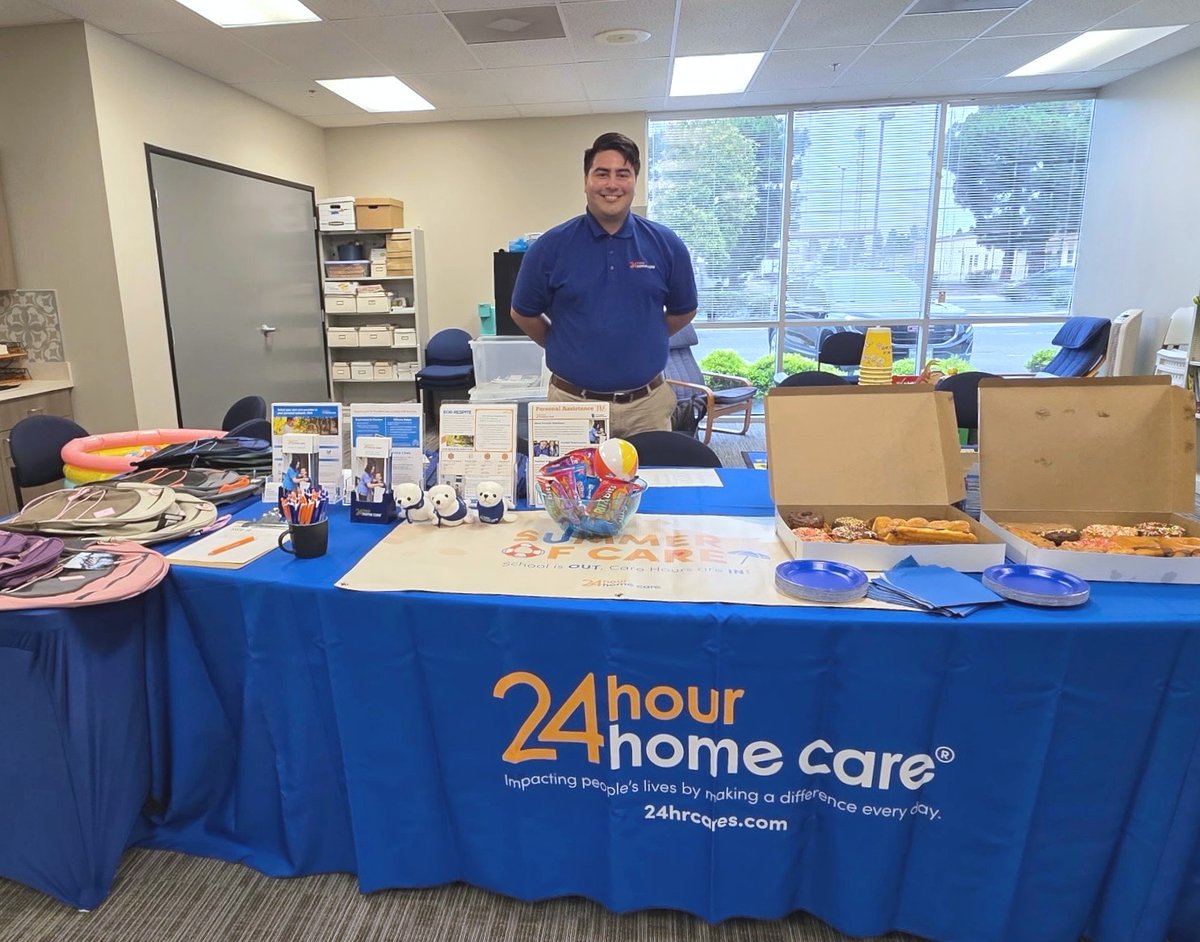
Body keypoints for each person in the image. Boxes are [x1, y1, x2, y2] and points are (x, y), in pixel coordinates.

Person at [511, 131, 697, 438]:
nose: (612, 184)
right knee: (568, 488)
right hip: (572, 405)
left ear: (635, 182)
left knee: (650, 485)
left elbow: (683, 310)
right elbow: (523, 313)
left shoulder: (666, 244)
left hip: (646, 408)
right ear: (586, 182)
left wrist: (644, 336)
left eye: (623, 174)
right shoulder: (550, 247)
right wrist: (564, 343)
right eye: (602, 173)